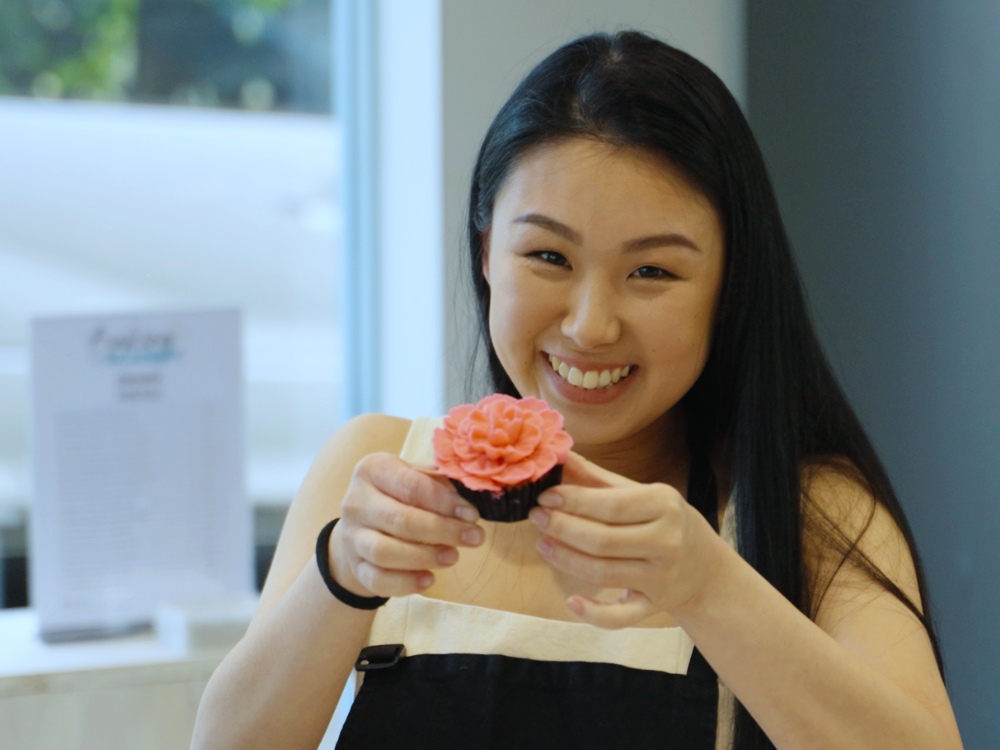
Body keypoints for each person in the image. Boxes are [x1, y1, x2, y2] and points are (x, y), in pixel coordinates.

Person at [191, 31, 964, 750]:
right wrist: (339, 578)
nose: (591, 327)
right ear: (487, 250)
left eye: (652, 272)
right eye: (549, 257)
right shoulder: (378, 468)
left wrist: (709, 584)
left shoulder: (809, 509)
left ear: (729, 287)